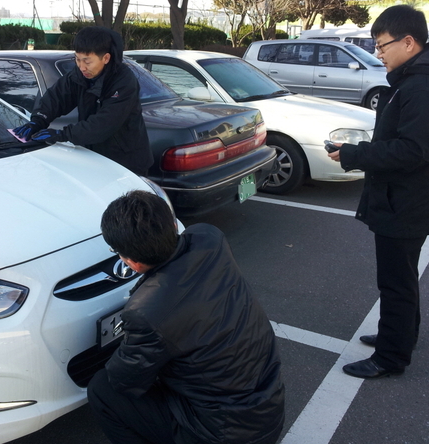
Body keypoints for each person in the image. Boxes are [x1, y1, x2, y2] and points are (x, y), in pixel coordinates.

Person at [327, 5, 429, 379]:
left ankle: (391, 356)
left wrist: (356, 154)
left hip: (405, 202)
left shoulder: (423, 86)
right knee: (402, 278)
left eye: (382, 45)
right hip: (410, 198)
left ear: (408, 42)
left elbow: (412, 150)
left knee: (395, 281)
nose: (378, 53)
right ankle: (402, 334)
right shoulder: (428, 79)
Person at [87, 190, 285, 444]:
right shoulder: (209, 238)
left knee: (103, 389)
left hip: (223, 434)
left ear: (132, 263)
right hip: (268, 409)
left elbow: (124, 381)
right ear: (172, 224)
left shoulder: (147, 311)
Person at [12, 26, 153, 176]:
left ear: (105, 58)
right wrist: (38, 119)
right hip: (94, 158)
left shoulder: (123, 81)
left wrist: (63, 134)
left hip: (126, 162)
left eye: (87, 61)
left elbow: (104, 123)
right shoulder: (79, 75)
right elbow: (57, 97)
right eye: (77, 59)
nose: (81, 66)